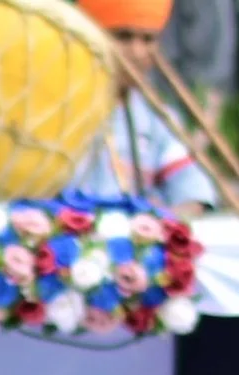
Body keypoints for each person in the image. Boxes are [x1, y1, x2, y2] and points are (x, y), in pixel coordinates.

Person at [70, 0, 216, 219]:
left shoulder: (157, 117)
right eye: (123, 37)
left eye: (148, 39)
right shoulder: (55, 112)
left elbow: (191, 189)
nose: (137, 52)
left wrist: (158, 225)